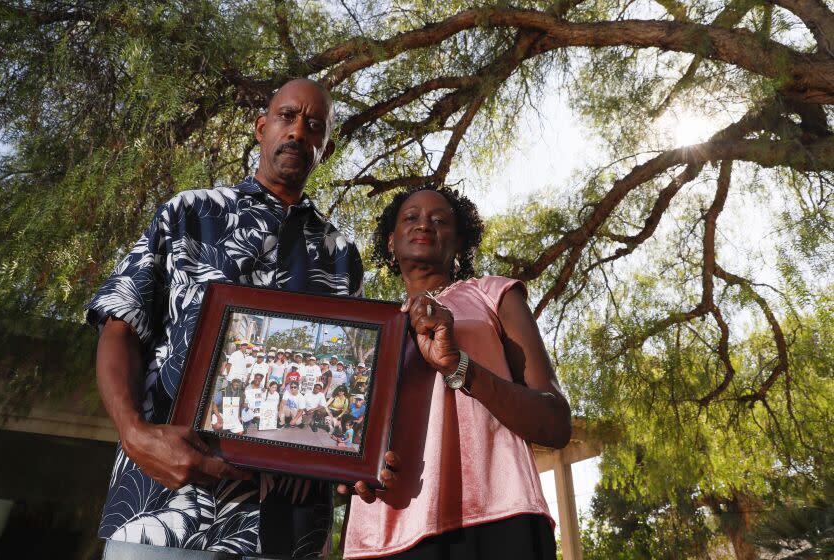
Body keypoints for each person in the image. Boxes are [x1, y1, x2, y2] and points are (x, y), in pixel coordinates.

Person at [88, 78, 370, 558]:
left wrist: (352, 456)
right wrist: (134, 432)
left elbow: (354, 387)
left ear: (326, 147)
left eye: (315, 125)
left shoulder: (341, 257)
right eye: (287, 116)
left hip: (287, 528)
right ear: (262, 128)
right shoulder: (187, 214)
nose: (299, 131)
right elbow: (121, 324)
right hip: (162, 507)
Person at [342, 186, 572, 559]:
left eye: (440, 220)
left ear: (460, 241)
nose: (425, 225)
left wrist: (459, 367)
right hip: (384, 532)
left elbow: (556, 422)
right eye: (411, 217)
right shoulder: (368, 332)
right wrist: (349, 468)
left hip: (498, 514)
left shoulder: (493, 295)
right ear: (390, 241)